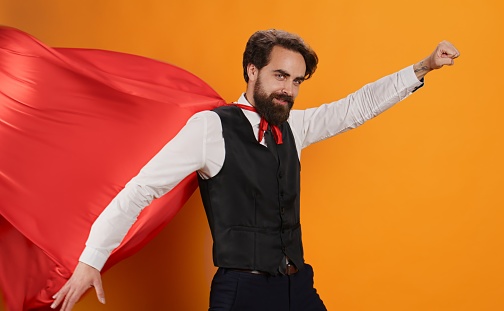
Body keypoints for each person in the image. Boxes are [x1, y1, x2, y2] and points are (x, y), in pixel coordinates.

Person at [50, 29, 459, 311]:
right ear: (252, 70)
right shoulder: (211, 128)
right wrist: (92, 259)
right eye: (281, 75)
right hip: (242, 293)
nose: (289, 90)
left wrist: (423, 67)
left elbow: (355, 108)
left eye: (297, 81)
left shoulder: (294, 126)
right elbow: (141, 189)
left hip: (296, 287)